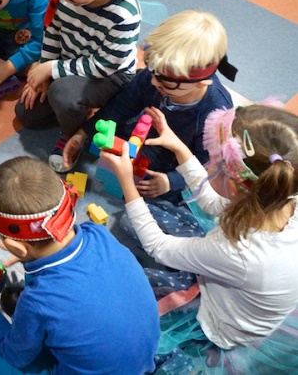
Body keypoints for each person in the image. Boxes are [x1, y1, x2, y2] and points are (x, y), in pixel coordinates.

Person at [102, 104, 298, 372]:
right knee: (135, 219)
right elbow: (214, 202)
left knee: (120, 302)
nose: (209, 161)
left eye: (214, 160)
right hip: (238, 278)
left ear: (233, 183)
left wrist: (126, 182)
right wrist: (180, 149)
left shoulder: (235, 250)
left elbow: (159, 247)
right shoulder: (280, 196)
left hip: (219, 320)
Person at [0, 156, 160, 374]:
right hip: (141, 358)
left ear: (17, 248)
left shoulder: (37, 300)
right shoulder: (99, 232)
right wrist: (27, 256)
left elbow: (15, 355)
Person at [14, 0, 140, 171]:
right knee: (26, 114)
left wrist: (50, 70)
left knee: (63, 96)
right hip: (71, 65)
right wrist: (45, 71)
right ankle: (86, 109)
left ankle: (73, 132)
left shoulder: (125, 13)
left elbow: (104, 65)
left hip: (112, 76)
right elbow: (53, 30)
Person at [62, 11, 236, 191]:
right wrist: (83, 132)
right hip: (142, 134)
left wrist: (171, 182)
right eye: (152, 73)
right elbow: (122, 105)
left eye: (164, 84)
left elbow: (208, 164)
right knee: (106, 143)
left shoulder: (216, 115)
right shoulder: (157, 76)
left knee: (159, 190)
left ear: (200, 84)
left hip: (175, 159)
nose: (153, 82)